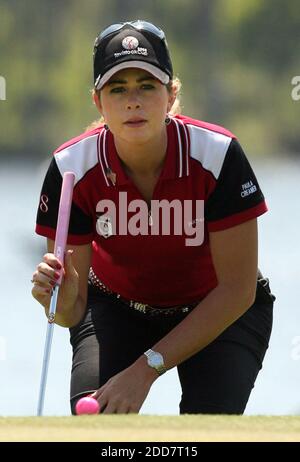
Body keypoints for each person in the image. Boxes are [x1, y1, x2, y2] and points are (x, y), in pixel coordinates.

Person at [31, 20, 276, 415]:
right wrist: (56, 296)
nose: (133, 101)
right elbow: (69, 312)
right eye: (118, 89)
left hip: (218, 308)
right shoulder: (70, 167)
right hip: (116, 305)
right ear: (98, 101)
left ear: (170, 93)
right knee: (95, 419)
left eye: (147, 86)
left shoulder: (218, 155)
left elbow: (237, 290)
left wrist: (146, 369)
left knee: (208, 425)